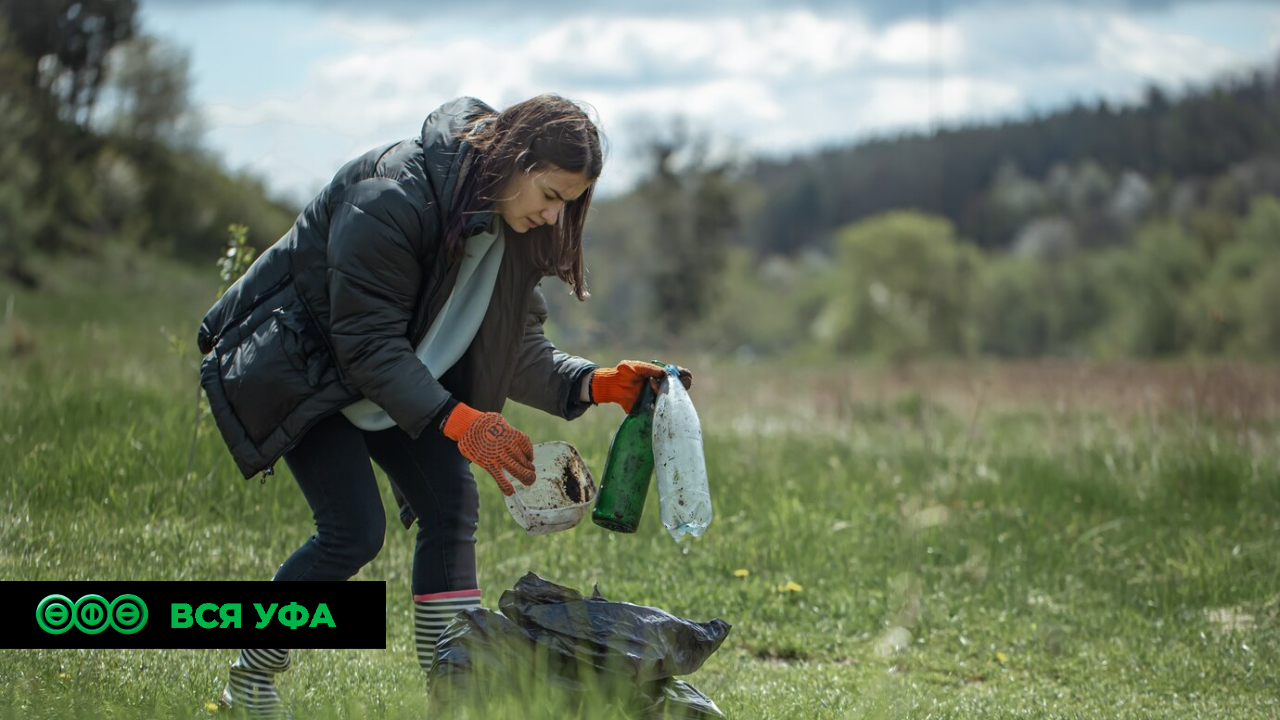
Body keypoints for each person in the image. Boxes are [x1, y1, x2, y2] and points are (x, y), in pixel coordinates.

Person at [195, 94, 691, 718]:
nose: (553, 214)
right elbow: (366, 346)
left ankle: (452, 701)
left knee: (451, 504)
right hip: (310, 371)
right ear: (515, 159)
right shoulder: (391, 197)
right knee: (353, 534)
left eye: (569, 202)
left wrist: (596, 383)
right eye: (550, 194)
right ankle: (249, 683)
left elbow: (516, 349)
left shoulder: (517, 228)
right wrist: (464, 423)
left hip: (404, 385)